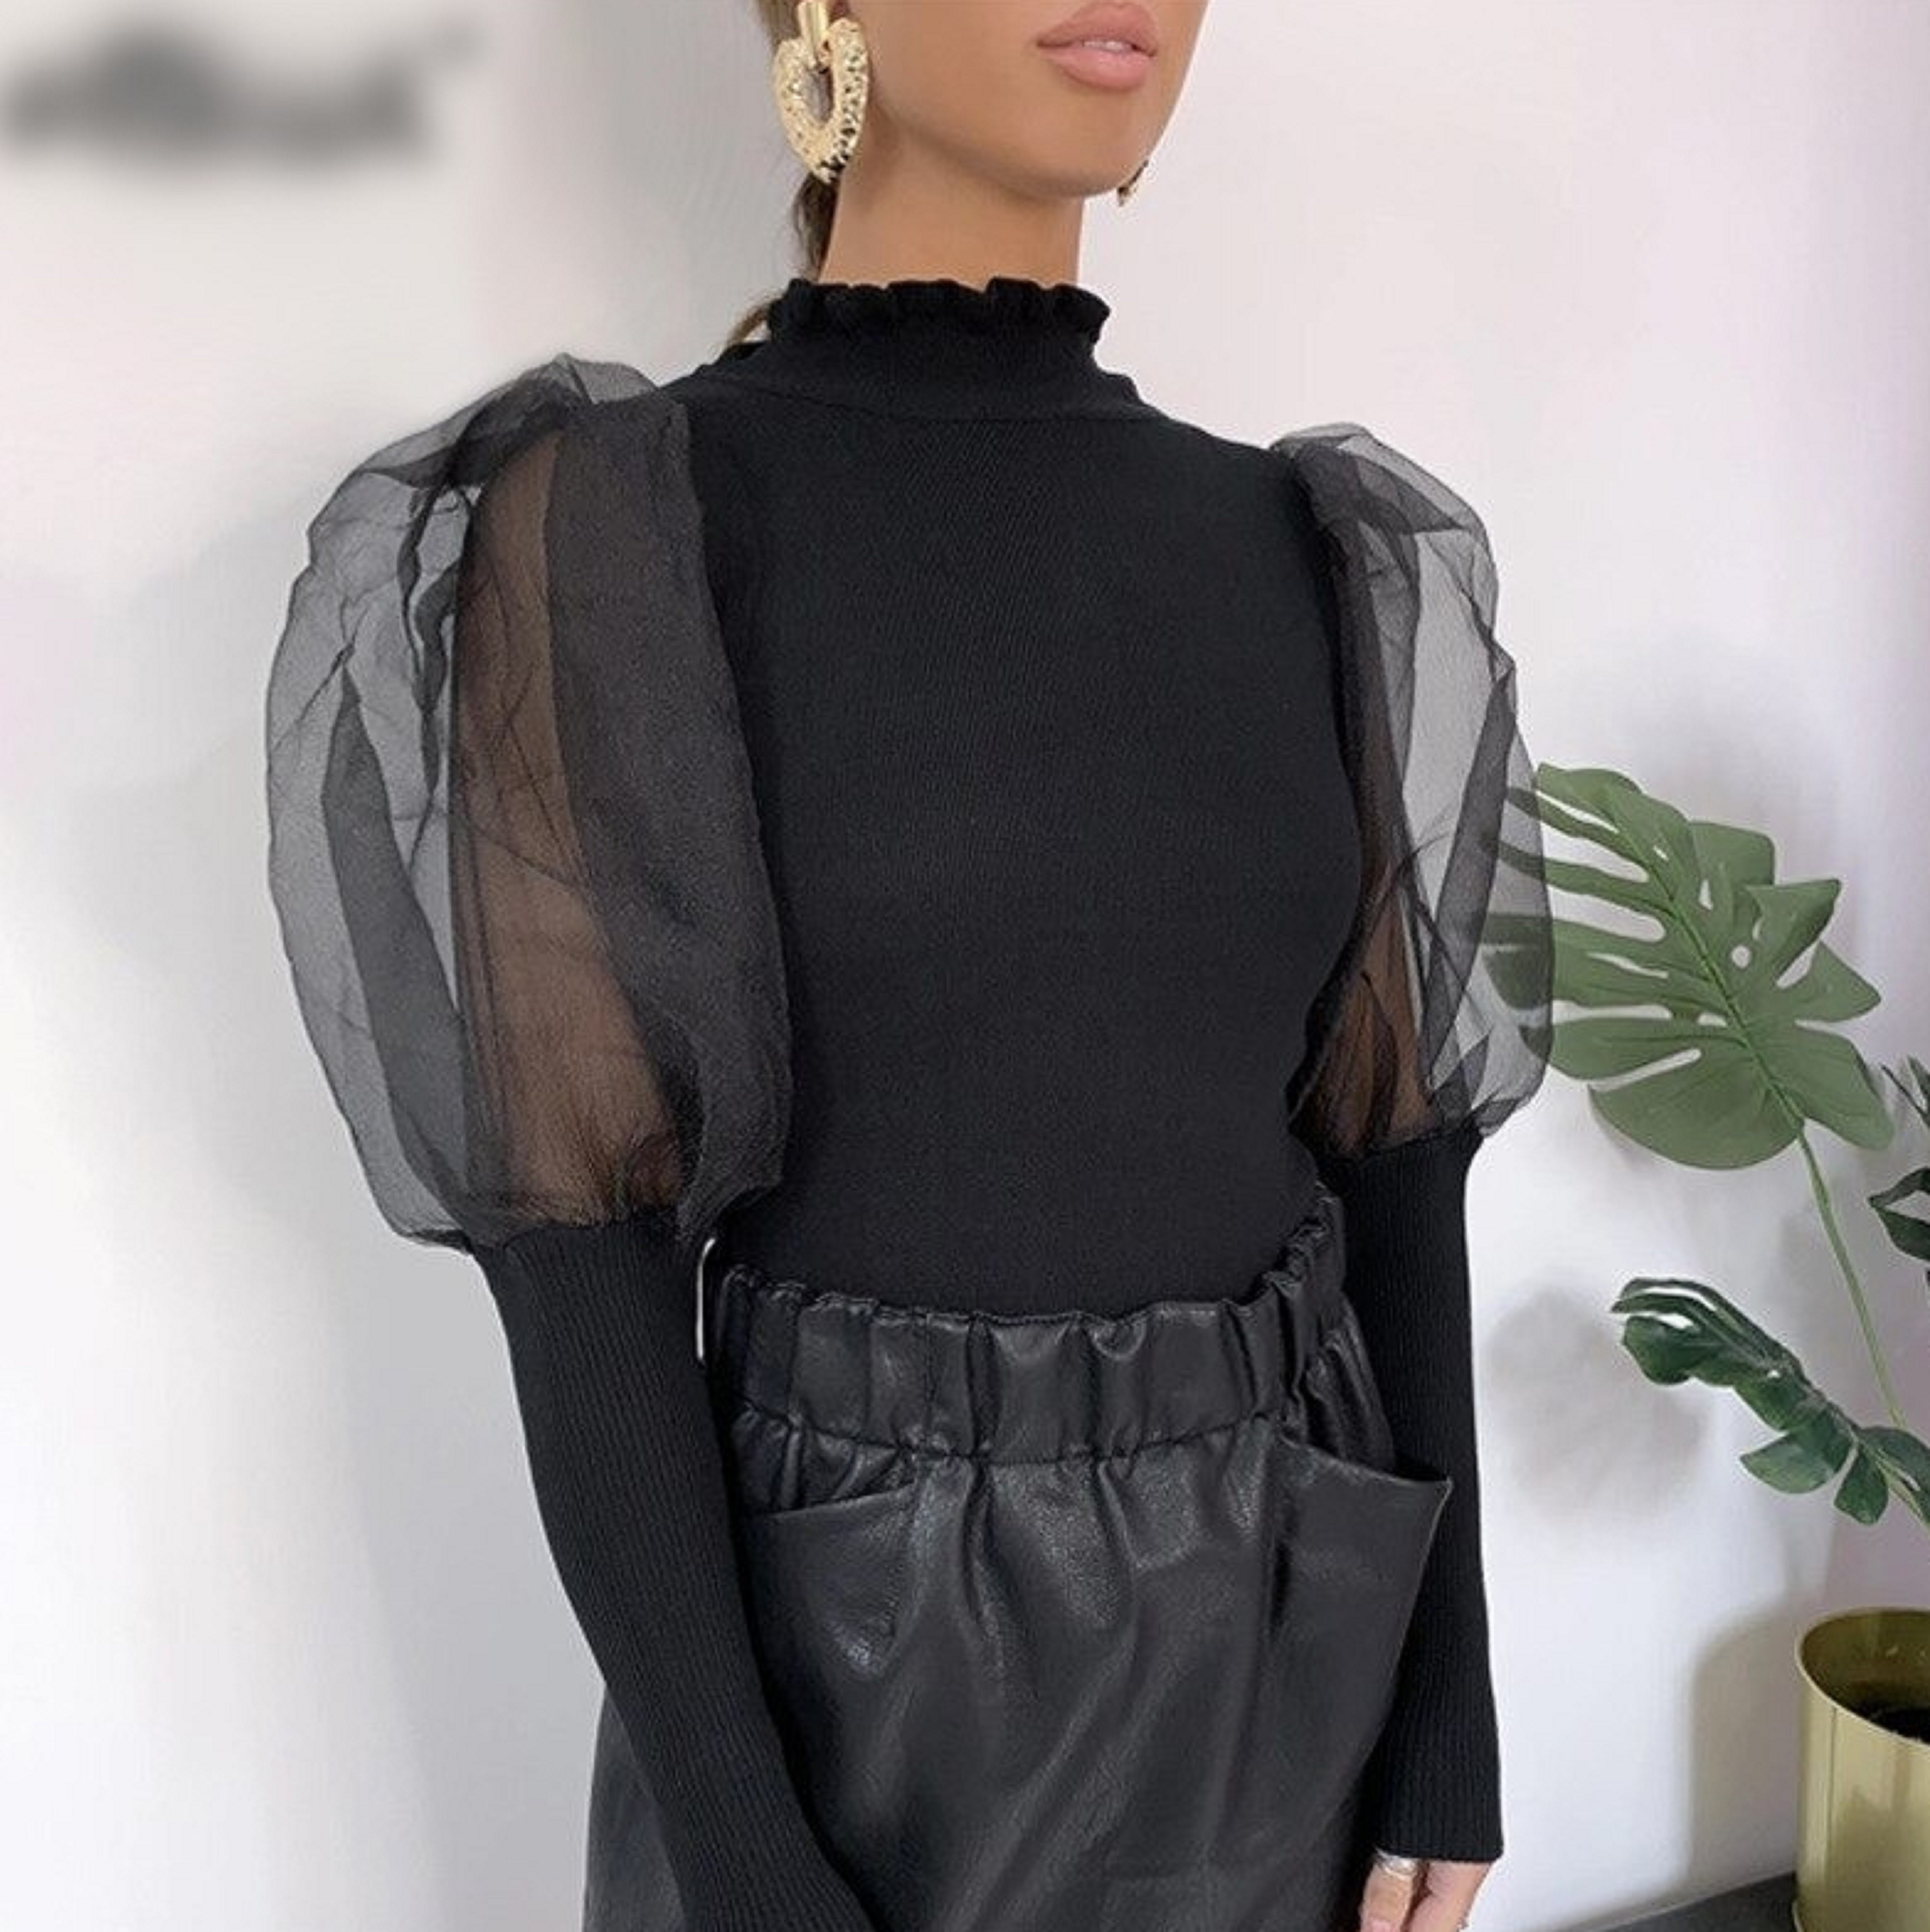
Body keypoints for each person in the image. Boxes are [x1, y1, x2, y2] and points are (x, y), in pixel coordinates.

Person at [263, 3, 1554, 1930]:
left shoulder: (1306, 547)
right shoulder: (612, 532)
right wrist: (745, 1864)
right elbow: (584, 1265)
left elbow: (1391, 1159)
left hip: (1292, 1646)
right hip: (849, 1688)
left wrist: (1449, 1708)